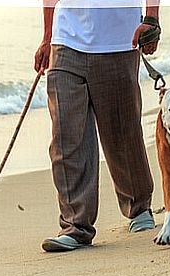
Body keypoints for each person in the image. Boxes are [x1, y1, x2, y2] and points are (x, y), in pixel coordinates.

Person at [34, 0, 161, 252]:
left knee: (122, 133)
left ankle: (138, 207)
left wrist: (151, 19)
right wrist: (47, 37)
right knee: (65, 136)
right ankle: (75, 226)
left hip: (119, 41)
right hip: (65, 43)